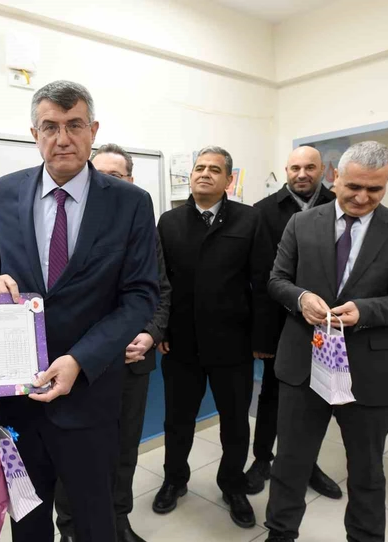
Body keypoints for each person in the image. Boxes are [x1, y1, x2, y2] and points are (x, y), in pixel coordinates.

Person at [0, 81, 159, 542]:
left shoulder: (129, 202)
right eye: (50, 127)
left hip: (90, 395)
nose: (63, 138)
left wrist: (80, 359)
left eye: (74, 125)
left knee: (95, 521)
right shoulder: (6, 190)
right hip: (19, 396)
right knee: (28, 522)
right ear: (34, 134)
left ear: (93, 130)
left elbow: (140, 295)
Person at [264, 141, 388, 542]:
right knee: (290, 463)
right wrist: (301, 298)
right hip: (304, 364)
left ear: (387, 183)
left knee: (367, 470)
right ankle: (280, 533)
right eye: (354, 186)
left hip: (368, 370)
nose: (362, 197)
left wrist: (366, 311)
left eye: (375, 189)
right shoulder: (301, 223)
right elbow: (277, 280)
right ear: (335, 176)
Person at [153, 146, 276, 529]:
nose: (205, 174)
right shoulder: (169, 221)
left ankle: (232, 485)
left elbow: (263, 281)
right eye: (199, 168)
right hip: (181, 343)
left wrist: (262, 338)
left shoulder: (250, 219)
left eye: (214, 169)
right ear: (191, 176)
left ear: (228, 179)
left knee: (235, 422)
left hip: (233, 342)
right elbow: (160, 282)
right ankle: (175, 479)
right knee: (178, 421)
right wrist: (161, 329)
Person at [54, 144, 171, 542]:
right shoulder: (66, 226)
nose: (105, 184)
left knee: (123, 449)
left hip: (129, 365)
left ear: (130, 182)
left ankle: (118, 520)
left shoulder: (141, 227)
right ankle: (70, 528)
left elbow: (160, 290)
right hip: (76, 365)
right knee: (71, 450)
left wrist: (150, 333)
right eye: (98, 176)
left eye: (115, 177)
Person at [247, 146, 341, 498]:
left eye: (310, 167)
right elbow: (259, 277)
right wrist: (261, 336)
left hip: (327, 324)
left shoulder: (339, 206)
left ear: (323, 170)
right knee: (272, 396)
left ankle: (308, 463)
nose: (302, 174)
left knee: (318, 398)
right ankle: (262, 459)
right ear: (286, 170)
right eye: (295, 167)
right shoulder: (263, 211)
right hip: (278, 323)